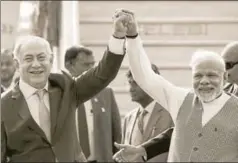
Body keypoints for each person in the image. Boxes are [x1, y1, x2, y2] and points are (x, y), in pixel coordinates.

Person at [112, 9, 238, 162]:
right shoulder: (181, 99)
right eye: (198, 75)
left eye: (212, 75)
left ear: (224, 77)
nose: (204, 81)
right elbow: (144, 76)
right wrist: (132, 36)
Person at [1, 13, 126, 162]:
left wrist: (118, 37)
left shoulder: (66, 89)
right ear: (17, 64)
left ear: (51, 60)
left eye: (41, 58)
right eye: (28, 59)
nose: (36, 64)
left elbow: (102, 74)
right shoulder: (4, 105)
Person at [64, 46, 122, 162]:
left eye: (93, 64)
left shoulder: (106, 93)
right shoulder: (57, 93)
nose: (92, 69)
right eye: (86, 65)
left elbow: (116, 133)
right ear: (69, 65)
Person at [121, 64, 173, 162]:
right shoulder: (129, 118)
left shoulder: (171, 114)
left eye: (136, 83)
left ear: (153, 83)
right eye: (129, 83)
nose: (131, 89)